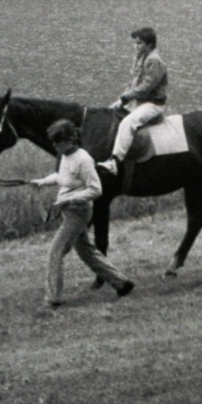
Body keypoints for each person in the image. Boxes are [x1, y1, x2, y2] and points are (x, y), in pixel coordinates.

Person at [31, 119, 135, 308]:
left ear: (70, 140)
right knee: (87, 252)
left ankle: (53, 299)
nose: (54, 145)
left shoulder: (83, 159)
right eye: (53, 142)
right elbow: (63, 178)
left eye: (58, 142)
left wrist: (68, 200)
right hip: (70, 210)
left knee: (55, 251)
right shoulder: (65, 156)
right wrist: (43, 181)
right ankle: (122, 284)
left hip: (78, 212)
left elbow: (96, 190)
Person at [98, 26, 168, 175]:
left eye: (139, 43)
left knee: (128, 123)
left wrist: (125, 98)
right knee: (109, 113)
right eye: (135, 43)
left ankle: (115, 161)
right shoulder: (141, 57)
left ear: (149, 44)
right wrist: (120, 101)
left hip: (152, 104)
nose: (135, 47)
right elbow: (132, 84)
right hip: (138, 102)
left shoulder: (155, 61)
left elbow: (146, 87)